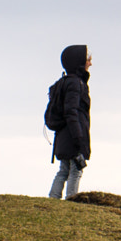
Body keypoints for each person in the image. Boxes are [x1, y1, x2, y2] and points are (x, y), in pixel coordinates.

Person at [45, 44, 91, 199]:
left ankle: (53, 199)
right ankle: (72, 200)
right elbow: (72, 112)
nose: (90, 64)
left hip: (62, 136)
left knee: (63, 169)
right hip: (73, 135)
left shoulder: (63, 83)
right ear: (79, 62)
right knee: (76, 170)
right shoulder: (75, 83)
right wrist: (79, 139)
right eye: (88, 60)